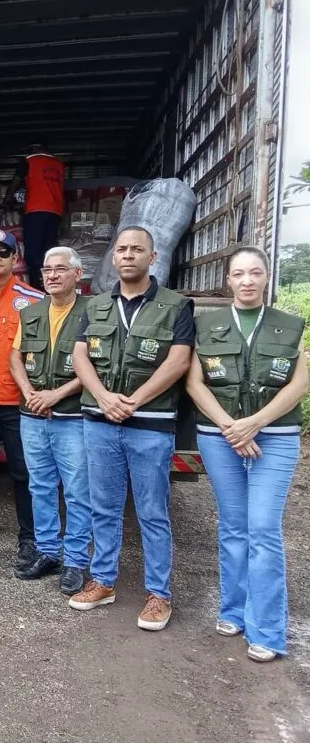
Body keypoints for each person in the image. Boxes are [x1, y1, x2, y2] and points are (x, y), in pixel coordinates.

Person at [69, 227, 194, 631]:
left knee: (152, 511)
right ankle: (103, 582)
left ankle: (158, 593)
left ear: (152, 257)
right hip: (100, 421)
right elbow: (80, 356)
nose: (127, 255)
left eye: (136, 249)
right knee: (103, 507)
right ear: (114, 258)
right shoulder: (95, 305)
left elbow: (178, 362)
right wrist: (104, 397)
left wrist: (133, 400)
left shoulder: (176, 305)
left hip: (150, 425)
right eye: (121, 249)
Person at [186, 246, 307, 662]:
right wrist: (230, 426)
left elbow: (297, 384)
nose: (248, 281)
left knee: (263, 529)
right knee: (234, 526)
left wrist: (253, 424)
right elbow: (195, 382)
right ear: (228, 280)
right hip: (219, 437)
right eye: (239, 274)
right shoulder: (208, 324)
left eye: (255, 273)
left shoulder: (288, 325)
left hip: (275, 437)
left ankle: (269, 630)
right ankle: (233, 611)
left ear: (267, 276)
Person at [8, 247, 91, 595]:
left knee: (76, 491)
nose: (53, 275)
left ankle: (75, 560)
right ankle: (47, 552)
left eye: (61, 269)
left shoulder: (95, 311)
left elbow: (98, 365)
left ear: (78, 274)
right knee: (39, 486)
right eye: (47, 270)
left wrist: (55, 396)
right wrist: (29, 392)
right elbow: (15, 356)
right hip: (32, 415)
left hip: (70, 415)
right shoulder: (31, 313)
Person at [0, 230, 44, 570]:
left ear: (16, 259)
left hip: (18, 404)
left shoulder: (34, 301)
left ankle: (29, 539)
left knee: (24, 473)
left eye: (4, 252)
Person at [3, 143, 65, 287]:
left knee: (32, 252)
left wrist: (8, 199)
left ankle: (35, 284)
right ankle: (50, 283)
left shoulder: (29, 160)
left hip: (36, 210)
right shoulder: (58, 164)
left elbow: (16, 182)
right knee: (49, 250)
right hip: (55, 211)